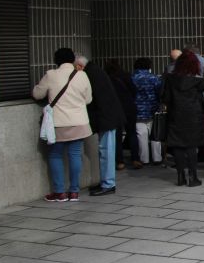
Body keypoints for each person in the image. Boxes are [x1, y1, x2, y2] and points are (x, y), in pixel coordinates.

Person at [33, 48, 93, 202]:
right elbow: (88, 100)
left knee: (55, 155)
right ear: (72, 60)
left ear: (56, 60)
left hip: (59, 123)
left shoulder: (51, 75)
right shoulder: (82, 75)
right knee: (75, 154)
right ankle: (74, 191)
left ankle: (59, 192)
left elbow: (37, 94)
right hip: (79, 122)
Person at [77, 55, 126, 196]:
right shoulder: (95, 70)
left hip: (107, 118)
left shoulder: (90, 74)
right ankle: (106, 181)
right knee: (105, 150)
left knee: (106, 151)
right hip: (109, 116)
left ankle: (108, 184)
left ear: (80, 66)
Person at [161, 51, 204, 186]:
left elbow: (166, 98)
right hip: (193, 116)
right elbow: (203, 99)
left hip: (175, 115)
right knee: (191, 146)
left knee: (178, 146)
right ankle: (193, 177)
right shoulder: (198, 81)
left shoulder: (170, 79)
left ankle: (180, 176)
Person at [105, 58, 140, 171]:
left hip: (115, 109)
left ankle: (120, 161)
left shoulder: (107, 78)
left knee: (117, 136)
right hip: (129, 107)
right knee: (132, 133)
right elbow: (134, 90)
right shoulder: (126, 75)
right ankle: (135, 159)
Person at [132, 58, 163, 165]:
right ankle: (157, 158)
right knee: (155, 134)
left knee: (141, 135)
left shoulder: (132, 78)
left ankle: (144, 159)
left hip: (137, 110)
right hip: (153, 110)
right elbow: (160, 93)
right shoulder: (154, 78)